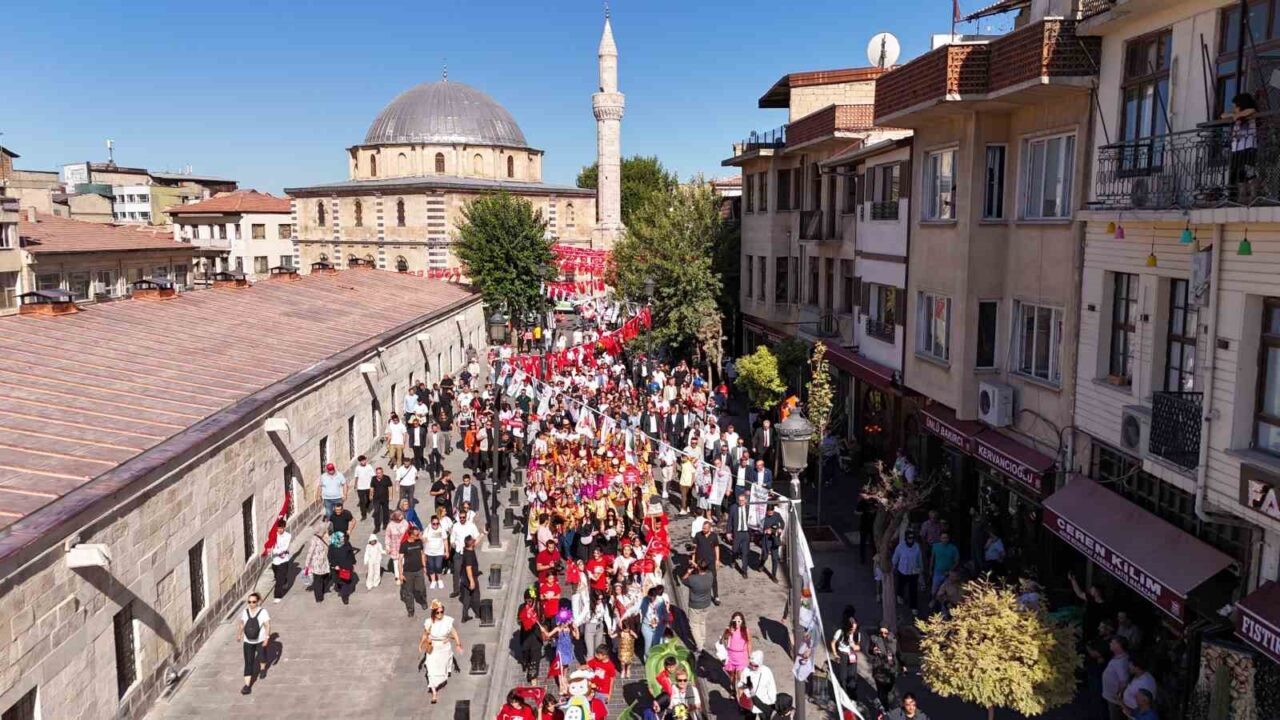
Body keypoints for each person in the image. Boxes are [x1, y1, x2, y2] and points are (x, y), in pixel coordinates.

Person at [421, 599, 462, 704]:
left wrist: (458, 644)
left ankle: (440, 680)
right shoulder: (429, 622)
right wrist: (420, 645)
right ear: (434, 613)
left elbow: (454, 633)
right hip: (433, 648)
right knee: (430, 669)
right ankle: (434, 693)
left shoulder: (447, 621)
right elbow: (425, 634)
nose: (440, 614)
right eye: (437, 612)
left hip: (444, 649)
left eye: (441, 612)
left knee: (442, 670)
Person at [1224, 92, 1260, 203]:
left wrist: (1238, 115)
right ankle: (1242, 196)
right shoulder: (1236, 115)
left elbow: (1252, 110)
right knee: (1239, 173)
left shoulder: (1250, 113)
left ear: (1242, 105)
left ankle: (1254, 195)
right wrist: (1235, 115)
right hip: (1237, 148)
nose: (1234, 108)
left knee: (1249, 171)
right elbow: (1223, 115)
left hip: (1248, 146)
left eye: (1236, 106)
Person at [236, 592, 270, 695]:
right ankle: (247, 686)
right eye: (249, 602)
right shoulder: (245, 612)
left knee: (262, 656)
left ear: (258, 602)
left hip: (260, 640)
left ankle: (262, 668)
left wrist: (266, 638)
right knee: (248, 662)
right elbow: (242, 624)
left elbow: (267, 625)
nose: (251, 604)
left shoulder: (263, 612)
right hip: (248, 641)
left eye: (254, 602)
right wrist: (239, 634)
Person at [829, 615, 866, 696]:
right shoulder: (840, 632)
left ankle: (852, 695)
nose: (853, 630)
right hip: (843, 655)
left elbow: (859, 647)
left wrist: (854, 646)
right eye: (852, 629)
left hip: (852, 655)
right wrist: (835, 654)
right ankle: (844, 695)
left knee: (852, 677)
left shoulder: (857, 634)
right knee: (843, 677)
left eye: (855, 629)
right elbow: (833, 643)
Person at [681, 560, 714, 650]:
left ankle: (700, 647)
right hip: (706, 603)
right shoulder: (710, 575)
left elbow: (683, 580)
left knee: (694, 625)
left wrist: (688, 572)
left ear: (699, 568)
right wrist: (697, 566)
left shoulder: (693, 579)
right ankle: (702, 640)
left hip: (695, 605)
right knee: (702, 622)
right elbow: (704, 570)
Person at [891, 531, 923, 616]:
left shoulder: (917, 546)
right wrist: (893, 566)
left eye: (913, 538)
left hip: (914, 572)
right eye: (909, 538)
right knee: (901, 586)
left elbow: (919, 558)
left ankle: (913, 607)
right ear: (906, 538)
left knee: (913, 590)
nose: (911, 539)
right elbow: (895, 557)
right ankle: (899, 595)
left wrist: (921, 569)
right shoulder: (900, 546)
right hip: (903, 571)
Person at [399, 526, 428, 617]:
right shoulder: (404, 545)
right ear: (411, 535)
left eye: (418, 534)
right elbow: (400, 560)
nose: (418, 536)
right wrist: (400, 574)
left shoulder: (419, 542)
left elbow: (422, 554)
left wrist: (424, 566)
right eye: (416, 535)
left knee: (422, 588)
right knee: (408, 592)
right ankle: (410, 610)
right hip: (408, 572)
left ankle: (423, 601)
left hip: (419, 570)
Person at [739, 650, 777, 719]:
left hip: (764, 702)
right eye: (751, 664)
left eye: (755, 666)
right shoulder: (746, 670)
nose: (753, 667)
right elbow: (740, 684)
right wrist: (745, 688)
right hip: (750, 703)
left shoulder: (766, 671)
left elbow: (771, 688)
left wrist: (773, 702)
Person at [517, 589, 545, 682]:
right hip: (526, 636)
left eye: (530, 600)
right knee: (527, 655)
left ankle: (533, 676)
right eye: (526, 600)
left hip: (536, 636)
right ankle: (526, 663)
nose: (528, 602)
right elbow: (518, 620)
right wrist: (525, 619)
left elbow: (543, 619)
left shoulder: (538, 606)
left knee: (535, 657)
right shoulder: (522, 607)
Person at [1102, 636, 1132, 720]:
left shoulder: (1121, 662)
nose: (1110, 644)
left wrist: (1118, 695)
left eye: (1113, 642)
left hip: (1114, 700)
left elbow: (1124, 681)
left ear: (1118, 645)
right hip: (1111, 697)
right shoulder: (1118, 657)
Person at [720, 611, 751, 689]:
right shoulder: (730, 629)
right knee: (732, 675)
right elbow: (724, 639)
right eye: (735, 621)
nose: (737, 623)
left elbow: (749, 642)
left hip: (741, 656)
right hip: (731, 656)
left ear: (742, 621)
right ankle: (733, 688)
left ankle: (739, 691)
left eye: (739, 621)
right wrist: (728, 632)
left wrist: (749, 655)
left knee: (740, 675)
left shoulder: (745, 630)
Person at [301, 528, 331, 602]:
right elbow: (310, 552)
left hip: (324, 562)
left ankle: (321, 591)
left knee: (325, 578)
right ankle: (319, 597)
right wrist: (307, 563)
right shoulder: (315, 539)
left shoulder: (327, 537)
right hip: (317, 563)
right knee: (318, 580)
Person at [327, 531, 357, 605]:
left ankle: (345, 597)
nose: (343, 538)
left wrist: (353, 561)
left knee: (346, 582)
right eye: (341, 537)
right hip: (337, 568)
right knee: (338, 581)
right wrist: (335, 565)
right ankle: (340, 588)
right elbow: (330, 557)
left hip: (346, 567)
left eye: (343, 537)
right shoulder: (332, 546)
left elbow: (351, 554)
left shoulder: (347, 544)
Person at [928, 530, 959, 597]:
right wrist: (930, 570)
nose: (944, 539)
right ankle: (933, 600)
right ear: (940, 538)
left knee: (947, 592)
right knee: (934, 590)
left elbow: (957, 561)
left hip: (949, 574)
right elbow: (932, 559)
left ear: (949, 538)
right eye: (943, 538)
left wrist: (950, 571)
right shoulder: (935, 546)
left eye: (946, 538)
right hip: (937, 572)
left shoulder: (953, 548)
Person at [423, 513, 450, 589]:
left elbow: (445, 540)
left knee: (438, 566)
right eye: (434, 523)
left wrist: (447, 551)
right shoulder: (427, 529)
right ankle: (433, 581)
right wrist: (424, 540)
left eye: (437, 523)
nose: (435, 525)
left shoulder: (441, 530)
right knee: (431, 567)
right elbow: (424, 539)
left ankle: (439, 580)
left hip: (439, 552)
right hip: (429, 552)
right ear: (431, 523)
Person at [268, 518, 291, 602]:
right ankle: (285, 581)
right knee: (277, 576)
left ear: (284, 527)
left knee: (279, 580)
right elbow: (270, 543)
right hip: (275, 561)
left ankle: (277, 596)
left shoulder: (288, 536)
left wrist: (273, 551)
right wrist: (268, 549)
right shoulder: (274, 535)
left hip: (283, 560)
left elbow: (284, 548)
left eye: (281, 528)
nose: (280, 530)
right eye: (278, 528)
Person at [728, 493, 752, 577]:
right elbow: (730, 520)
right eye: (739, 500)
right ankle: (733, 560)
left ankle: (744, 570)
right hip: (737, 533)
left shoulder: (749, 508)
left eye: (742, 500)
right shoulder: (733, 507)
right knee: (735, 550)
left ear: (746, 500)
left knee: (745, 553)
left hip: (746, 533)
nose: (741, 502)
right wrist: (728, 532)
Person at [759, 504, 784, 581]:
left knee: (775, 558)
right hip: (766, 539)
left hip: (775, 539)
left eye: (772, 511)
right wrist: (765, 531)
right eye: (769, 512)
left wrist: (780, 528)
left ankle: (773, 575)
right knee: (765, 555)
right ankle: (761, 564)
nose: (770, 513)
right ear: (766, 511)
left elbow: (782, 523)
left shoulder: (777, 515)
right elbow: (759, 528)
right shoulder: (763, 516)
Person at [639, 585, 669, 652]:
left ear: (655, 596)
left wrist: (666, 619)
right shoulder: (644, 600)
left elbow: (664, 611)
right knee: (648, 646)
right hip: (647, 626)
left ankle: (657, 657)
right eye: (649, 597)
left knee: (657, 645)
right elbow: (634, 608)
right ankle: (647, 658)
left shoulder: (661, 601)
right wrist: (623, 617)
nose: (650, 600)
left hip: (658, 626)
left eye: (651, 598)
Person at [459, 535, 481, 622]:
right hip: (470, 578)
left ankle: (464, 616)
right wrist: (472, 581)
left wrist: (483, 533)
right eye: (473, 541)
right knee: (476, 596)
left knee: (467, 598)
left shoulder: (467, 549)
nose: (474, 541)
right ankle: (478, 613)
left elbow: (476, 542)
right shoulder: (469, 555)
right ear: (471, 544)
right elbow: (468, 568)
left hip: (464, 579)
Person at [370, 465, 393, 533]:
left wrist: (390, 496)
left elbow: (390, 487)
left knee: (385, 511)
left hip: (385, 498)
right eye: (377, 473)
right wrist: (370, 495)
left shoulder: (387, 478)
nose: (378, 474)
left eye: (380, 473)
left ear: (382, 472)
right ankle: (377, 527)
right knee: (376, 512)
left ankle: (385, 524)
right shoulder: (373, 478)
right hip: (376, 499)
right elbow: (372, 487)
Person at [353, 455, 375, 520]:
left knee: (369, 499)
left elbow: (373, 476)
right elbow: (356, 477)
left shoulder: (369, 467)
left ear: (366, 460)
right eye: (361, 461)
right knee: (362, 502)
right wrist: (355, 485)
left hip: (368, 487)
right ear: (360, 462)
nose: (363, 462)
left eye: (364, 460)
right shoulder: (357, 468)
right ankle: (363, 515)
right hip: (360, 488)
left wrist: (374, 485)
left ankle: (367, 506)